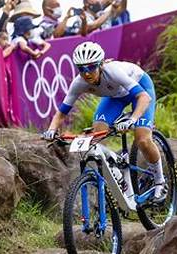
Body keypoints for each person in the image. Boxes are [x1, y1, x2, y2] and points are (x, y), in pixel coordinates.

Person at [42, 42, 167, 203]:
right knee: (97, 134)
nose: (86, 73)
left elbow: (144, 98)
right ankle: (117, 171)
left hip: (140, 89)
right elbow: (61, 112)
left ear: (101, 64)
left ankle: (160, 181)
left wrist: (133, 119)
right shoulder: (79, 83)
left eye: (91, 67)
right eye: (81, 69)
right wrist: (51, 130)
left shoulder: (113, 72)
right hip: (115, 96)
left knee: (142, 138)